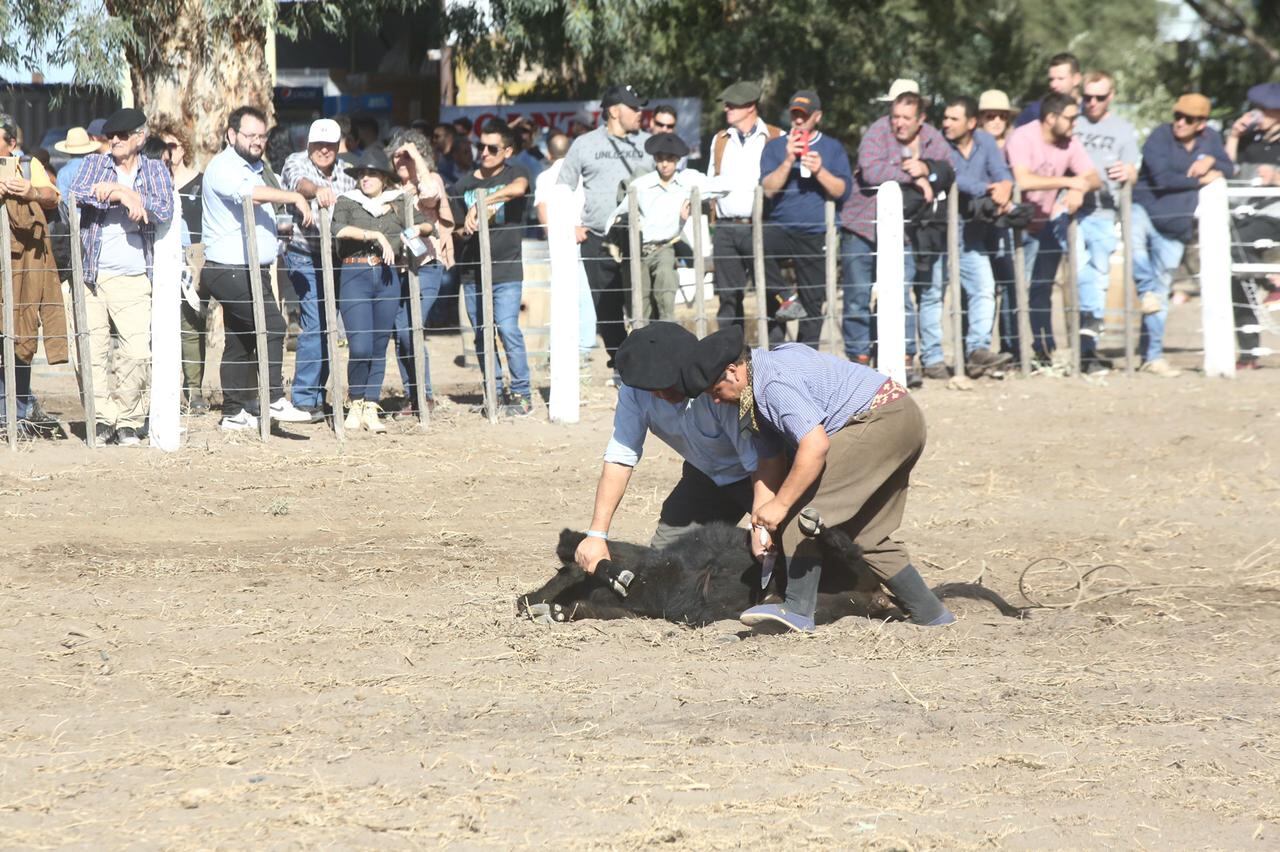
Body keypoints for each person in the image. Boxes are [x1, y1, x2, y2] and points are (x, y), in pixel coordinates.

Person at [680, 326, 955, 633]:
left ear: (733, 371)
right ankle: (930, 612)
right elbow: (770, 460)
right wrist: (761, 521)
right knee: (866, 533)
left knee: (804, 511)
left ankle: (797, 609)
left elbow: (815, 445)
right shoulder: (753, 389)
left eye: (715, 392)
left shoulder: (772, 384)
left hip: (880, 419)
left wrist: (782, 505)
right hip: (900, 416)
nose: (716, 402)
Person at [573, 322, 758, 573]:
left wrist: (763, 522)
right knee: (663, 566)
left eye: (669, 384)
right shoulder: (634, 392)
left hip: (757, 476)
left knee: (786, 549)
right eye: (652, 387)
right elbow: (620, 458)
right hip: (705, 476)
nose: (660, 394)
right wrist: (596, 534)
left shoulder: (718, 388)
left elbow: (760, 459)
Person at [201, 105, 315, 431]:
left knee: (240, 340)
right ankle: (274, 397)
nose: (257, 141)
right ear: (231, 135)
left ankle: (234, 412)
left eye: (262, 136)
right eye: (250, 135)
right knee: (274, 326)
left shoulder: (258, 167)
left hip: (255, 269)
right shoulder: (224, 167)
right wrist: (294, 198)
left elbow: (267, 193)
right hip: (229, 268)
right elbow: (251, 196)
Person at [69, 108, 174, 446]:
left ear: (140, 138)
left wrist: (129, 194)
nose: (114, 140)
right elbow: (79, 194)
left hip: (133, 276)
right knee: (91, 351)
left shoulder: (156, 168)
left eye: (122, 135)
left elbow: (164, 207)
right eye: (111, 135)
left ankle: (129, 419)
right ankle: (102, 419)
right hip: (91, 274)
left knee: (136, 353)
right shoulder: (95, 164)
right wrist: (121, 193)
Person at [842, 91, 948, 384]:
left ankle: (904, 360)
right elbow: (870, 168)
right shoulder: (878, 131)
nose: (899, 123)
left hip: (904, 231)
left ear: (921, 119)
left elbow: (947, 167)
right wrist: (912, 176)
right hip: (860, 223)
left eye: (906, 118)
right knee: (857, 296)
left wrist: (927, 169)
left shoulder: (931, 137)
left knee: (901, 296)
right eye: (895, 116)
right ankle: (858, 362)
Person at [1131, 94, 1234, 377]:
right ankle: (1144, 289)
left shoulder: (1211, 139)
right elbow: (1161, 178)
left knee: (1161, 293)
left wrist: (1212, 160)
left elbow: (1228, 167)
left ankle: (1152, 356)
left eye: (1188, 119)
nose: (1180, 123)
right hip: (1144, 209)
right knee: (1136, 252)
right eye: (1178, 116)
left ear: (1201, 123)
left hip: (1176, 227)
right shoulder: (1159, 136)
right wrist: (1201, 178)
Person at [331, 148, 433, 432]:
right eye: (362, 174)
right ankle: (355, 401)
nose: (365, 179)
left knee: (378, 346)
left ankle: (370, 405)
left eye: (372, 174)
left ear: (384, 178)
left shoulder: (399, 202)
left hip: (388, 277)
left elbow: (428, 224)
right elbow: (336, 229)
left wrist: (414, 231)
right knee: (360, 345)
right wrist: (373, 234)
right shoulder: (347, 201)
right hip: (355, 273)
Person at [557, 84, 653, 371]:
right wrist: (571, 224)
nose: (640, 113)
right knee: (606, 309)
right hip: (597, 238)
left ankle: (646, 366)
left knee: (640, 305)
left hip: (640, 239)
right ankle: (624, 367)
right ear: (613, 111)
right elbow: (563, 186)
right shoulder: (584, 144)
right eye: (634, 108)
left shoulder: (649, 144)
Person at [918, 95, 1014, 379]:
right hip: (937, 231)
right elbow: (952, 177)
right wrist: (990, 188)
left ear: (971, 123)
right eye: (945, 118)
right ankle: (933, 359)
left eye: (953, 119)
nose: (946, 123)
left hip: (970, 234)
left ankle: (978, 352)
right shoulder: (936, 143)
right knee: (933, 294)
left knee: (984, 288)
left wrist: (1006, 185)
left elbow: (1002, 172)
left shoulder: (985, 142)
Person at [1005, 92, 1100, 360]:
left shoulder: (1069, 142)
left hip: (1045, 224)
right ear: (1051, 118)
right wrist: (1069, 183)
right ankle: (1012, 352)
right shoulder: (1023, 137)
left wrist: (1080, 189)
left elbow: (1093, 177)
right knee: (1012, 289)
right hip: (1014, 225)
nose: (1075, 124)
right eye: (1070, 118)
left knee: (1041, 288)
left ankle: (1044, 349)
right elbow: (1023, 180)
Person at [452, 120, 534, 416]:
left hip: (507, 270)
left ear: (508, 151)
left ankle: (522, 395)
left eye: (492, 148)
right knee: (481, 334)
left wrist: (483, 202)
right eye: (481, 146)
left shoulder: (517, 173)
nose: (484, 152)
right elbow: (457, 228)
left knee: (508, 329)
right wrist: (465, 228)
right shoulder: (464, 183)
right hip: (473, 272)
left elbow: (518, 189)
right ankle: (494, 393)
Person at [759, 89, 852, 348]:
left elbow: (842, 191)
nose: (799, 121)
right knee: (754, 246)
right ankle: (786, 299)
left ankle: (805, 359)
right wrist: (789, 159)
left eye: (805, 116)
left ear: (817, 117)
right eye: (795, 115)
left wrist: (819, 170)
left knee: (813, 302)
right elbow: (768, 189)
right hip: (780, 228)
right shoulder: (776, 147)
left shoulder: (832, 148)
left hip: (815, 231)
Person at [279, 118, 357, 421]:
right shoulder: (296, 161)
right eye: (319, 145)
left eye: (330, 145)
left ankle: (316, 395)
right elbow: (300, 183)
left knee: (328, 325)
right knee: (314, 322)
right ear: (308, 145)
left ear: (338, 146)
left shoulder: (347, 173)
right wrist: (318, 190)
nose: (324, 150)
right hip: (303, 253)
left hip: (335, 257)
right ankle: (303, 398)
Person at [0, 114, 68, 439]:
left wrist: (29, 191)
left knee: (20, 335)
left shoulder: (28, 167)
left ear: (12, 143)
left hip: (23, 266)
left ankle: (15, 416)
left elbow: (54, 197)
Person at [606, 133, 722, 321]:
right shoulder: (641, 184)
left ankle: (668, 334)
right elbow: (616, 214)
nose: (665, 164)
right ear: (655, 159)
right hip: (639, 250)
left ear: (677, 159)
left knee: (666, 284)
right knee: (640, 304)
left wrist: (696, 201)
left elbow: (722, 188)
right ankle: (641, 342)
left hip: (665, 246)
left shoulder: (688, 180)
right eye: (660, 159)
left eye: (669, 159)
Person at [1072, 71, 1139, 373]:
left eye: (1099, 97)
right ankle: (1082, 336)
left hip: (1103, 212)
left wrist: (1128, 172)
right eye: (1088, 97)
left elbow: (1134, 171)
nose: (1093, 103)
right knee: (1079, 269)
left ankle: (1088, 345)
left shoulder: (1123, 130)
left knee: (1097, 273)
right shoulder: (1073, 122)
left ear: (1111, 96)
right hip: (1071, 210)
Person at [387, 128, 453, 417]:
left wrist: (415, 155)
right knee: (399, 333)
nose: (401, 160)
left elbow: (431, 195)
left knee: (411, 328)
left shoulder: (430, 180)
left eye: (407, 156)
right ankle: (411, 395)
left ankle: (424, 395)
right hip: (397, 269)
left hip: (426, 266)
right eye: (396, 155)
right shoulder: (390, 188)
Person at [707, 81, 783, 329]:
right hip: (726, 228)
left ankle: (777, 356)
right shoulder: (720, 140)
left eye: (732, 104)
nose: (726, 108)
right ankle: (729, 358)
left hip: (760, 226)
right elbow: (711, 182)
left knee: (771, 294)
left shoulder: (776, 137)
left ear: (750, 106)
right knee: (728, 298)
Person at [151, 119, 210, 413]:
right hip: (159, 256)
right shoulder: (152, 180)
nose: (167, 153)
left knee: (192, 325)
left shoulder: (201, 181)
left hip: (193, 258)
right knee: (159, 327)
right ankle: (162, 391)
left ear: (183, 148)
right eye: (161, 148)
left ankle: (195, 390)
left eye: (171, 146)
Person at [1225, 81, 1280, 369]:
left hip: (1275, 216)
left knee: (1235, 252)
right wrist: (1234, 137)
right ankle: (1249, 353)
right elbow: (1226, 169)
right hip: (1244, 216)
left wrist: (1276, 179)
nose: (1258, 115)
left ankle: (1270, 282)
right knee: (1237, 276)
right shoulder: (1249, 142)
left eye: (1266, 111)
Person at [534, 130, 596, 360]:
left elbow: (542, 208)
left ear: (549, 154)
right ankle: (585, 344)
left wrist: (553, 235)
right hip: (583, 236)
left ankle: (561, 344)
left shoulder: (544, 177)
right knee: (584, 293)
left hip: (559, 239)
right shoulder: (583, 176)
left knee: (560, 292)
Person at [1014, 53, 1082, 128]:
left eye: (1060, 79)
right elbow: (1013, 134)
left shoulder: (1091, 109)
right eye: (1051, 79)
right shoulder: (1036, 110)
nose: (1053, 85)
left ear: (1076, 79)